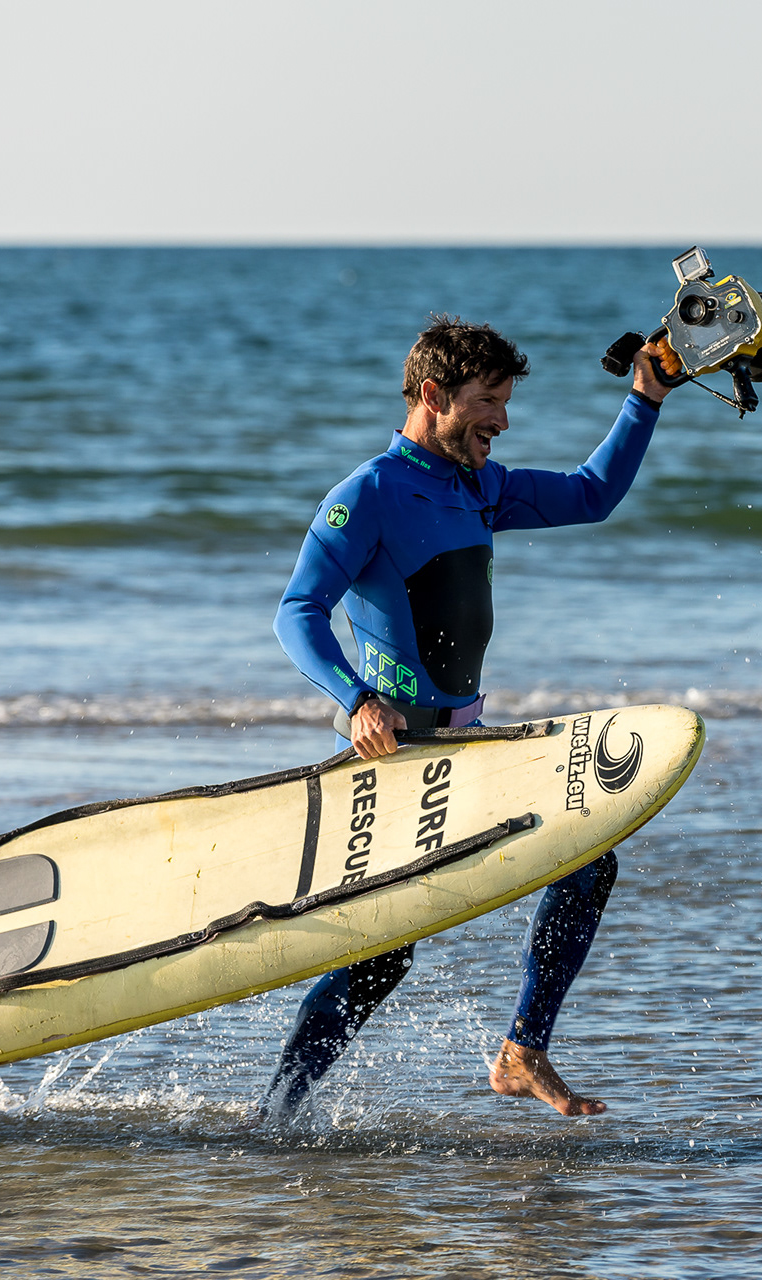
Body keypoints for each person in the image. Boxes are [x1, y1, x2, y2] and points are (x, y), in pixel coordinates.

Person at [261, 315, 681, 1122]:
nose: (503, 420)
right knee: (380, 959)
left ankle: (522, 1050)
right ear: (433, 396)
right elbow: (297, 612)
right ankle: (279, 1112)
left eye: (506, 402)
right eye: (488, 402)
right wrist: (353, 702)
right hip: (396, 754)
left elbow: (591, 495)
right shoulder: (369, 495)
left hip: (461, 747)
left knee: (587, 859)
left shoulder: (478, 487)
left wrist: (646, 397)